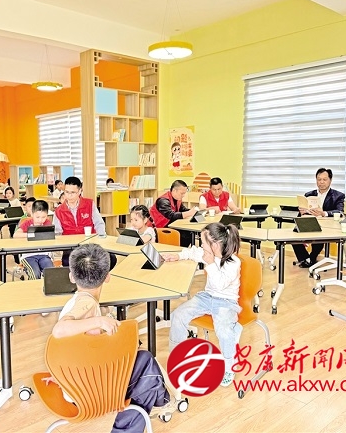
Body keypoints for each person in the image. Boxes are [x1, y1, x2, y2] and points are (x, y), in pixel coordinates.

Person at [46, 244, 170, 432]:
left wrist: (60, 373)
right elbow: (59, 330)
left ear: (71, 276)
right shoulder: (86, 303)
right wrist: (99, 321)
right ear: (107, 277)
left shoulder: (74, 302)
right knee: (146, 364)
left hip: (74, 383)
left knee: (142, 366)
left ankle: (161, 399)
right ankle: (162, 401)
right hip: (91, 392)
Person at [164, 223, 242, 387]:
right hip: (207, 297)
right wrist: (178, 255)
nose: (201, 245)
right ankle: (177, 356)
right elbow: (193, 252)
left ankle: (229, 367)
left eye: (203, 242)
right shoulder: (207, 253)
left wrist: (211, 263)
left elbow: (220, 285)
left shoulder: (233, 263)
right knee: (178, 315)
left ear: (215, 245)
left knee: (223, 331)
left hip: (226, 301)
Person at [53, 176, 117, 269]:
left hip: (90, 244)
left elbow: (99, 223)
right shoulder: (59, 211)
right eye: (67, 192)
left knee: (111, 258)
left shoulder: (89, 204)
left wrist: (101, 239)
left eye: (73, 192)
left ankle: (97, 277)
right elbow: (57, 233)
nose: (69, 195)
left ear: (80, 191)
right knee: (68, 262)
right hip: (71, 247)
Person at [292, 168, 345, 268]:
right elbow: (302, 211)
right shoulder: (309, 194)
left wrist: (323, 213)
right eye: (319, 179)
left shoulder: (338, 196)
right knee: (294, 233)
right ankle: (305, 258)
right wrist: (303, 211)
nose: (321, 182)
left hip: (327, 225)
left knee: (319, 233)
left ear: (330, 180)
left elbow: (340, 212)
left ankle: (312, 258)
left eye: (324, 179)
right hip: (310, 222)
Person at [13, 200, 54, 278]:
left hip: (44, 254)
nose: (40, 220)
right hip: (28, 255)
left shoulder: (47, 223)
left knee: (50, 273)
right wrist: (32, 234)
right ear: (32, 214)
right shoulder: (27, 223)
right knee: (35, 273)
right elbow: (16, 235)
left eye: (43, 217)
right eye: (37, 217)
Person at [150, 180, 197, 247]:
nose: (183, 195)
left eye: (184, 193)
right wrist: (189, 213)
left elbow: (182, 209)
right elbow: (171, 215)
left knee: (189, 231)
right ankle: (179, 249)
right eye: (182, 193)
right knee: (186, 233)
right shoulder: (163, 201)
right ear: (174, 191)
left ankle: (181, 249)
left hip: (170, 224)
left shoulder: (177, 199)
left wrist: (194, 211)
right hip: (159, 228)